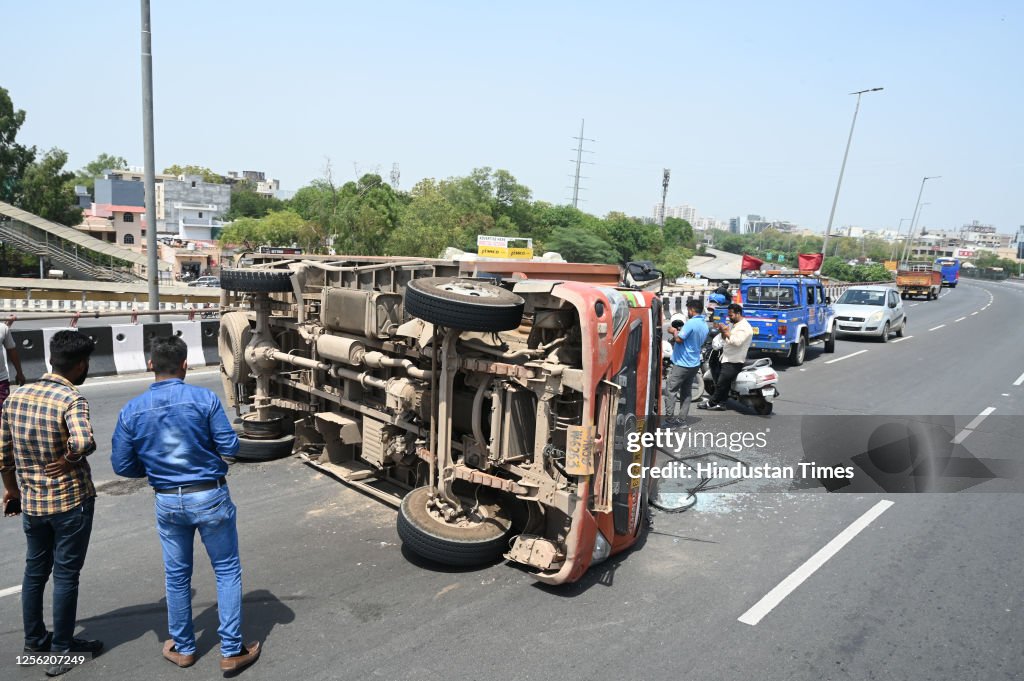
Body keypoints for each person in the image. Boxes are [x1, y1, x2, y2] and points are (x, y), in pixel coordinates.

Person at [111, 336, 259, 673]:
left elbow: (122, 465)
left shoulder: (132, 410)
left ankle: (183, 646)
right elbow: (230, 446)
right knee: (226, 571)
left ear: (151, 365)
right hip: (209, 494)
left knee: (177, 577)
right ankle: (231, 650)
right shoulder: (204, 399)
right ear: (184, 365)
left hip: (167, 499)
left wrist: (154, 471)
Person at [1, 330, 102, 678]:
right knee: (65, 576)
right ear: (80, 365)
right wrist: (71, 459)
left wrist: (11, 491)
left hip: (31, 503)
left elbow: (3, 456)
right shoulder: (71, 399)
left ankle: (34, 641)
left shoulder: (14, 398)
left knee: (34, 572)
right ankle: (61, 650)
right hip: (70, 502)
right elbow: (84, 441)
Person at [698, 303, 753, 411]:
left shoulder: (745, 327)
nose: (729, 317)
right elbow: (725, 338)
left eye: (731, 315)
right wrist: (722, 331)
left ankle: (711, 403)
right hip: (725, 357)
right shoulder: (734, 324)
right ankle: (722, 403)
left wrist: (726, 333)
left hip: (734, 360)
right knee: (724, 383)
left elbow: (737, 342)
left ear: (738, 314)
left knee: (721, 383)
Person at [663, 300, 709, 427]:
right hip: (694, 363)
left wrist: (673, 331)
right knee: (686, 393)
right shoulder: (704, 324)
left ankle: (670, 421)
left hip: (682, 363)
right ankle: (682, 420)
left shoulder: (691, 323)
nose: (688, 312)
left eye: (688, 310)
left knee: (670, 391)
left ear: (692, 310)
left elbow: (678, 339)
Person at [0, 319, 27, 412]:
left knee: (3, 415)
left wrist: (19, 372)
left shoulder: (3, 328)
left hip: (1, 380)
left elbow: (12, 351)